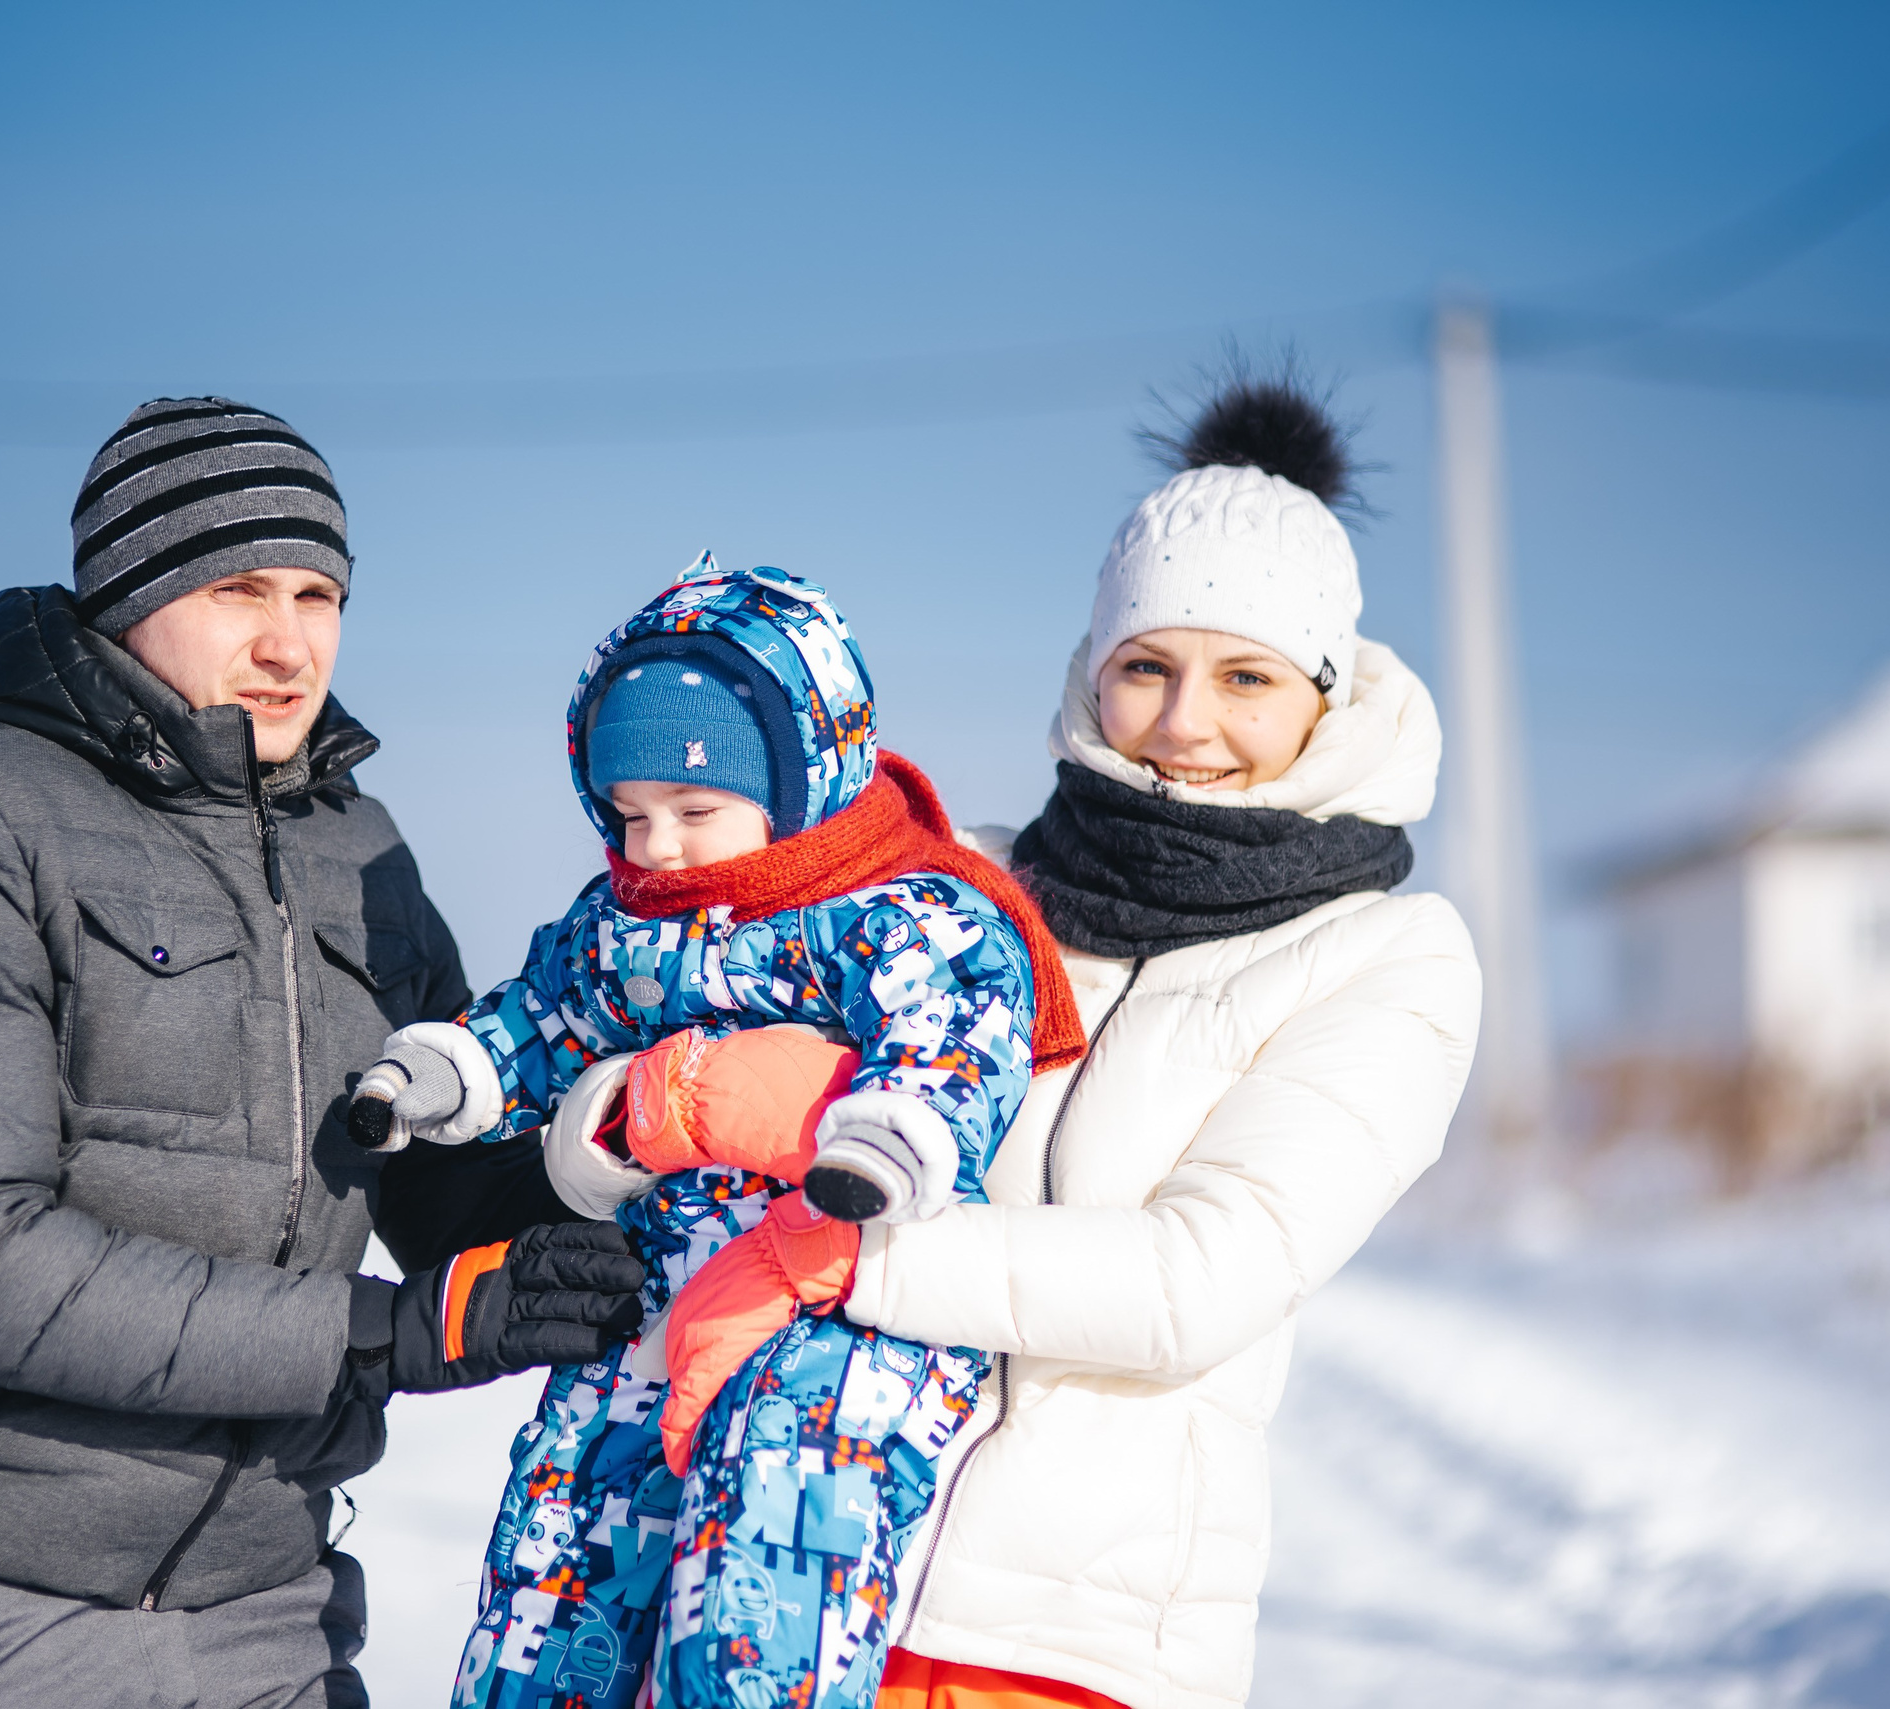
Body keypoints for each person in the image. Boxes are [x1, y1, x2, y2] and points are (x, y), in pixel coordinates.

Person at [573, 376, 1483, 1708]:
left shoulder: (1387, 958)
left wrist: (839, 1254)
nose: (1185, 724)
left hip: (1071, 1652)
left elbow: (1195, 1282)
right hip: (804, 1588)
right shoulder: (959, 892)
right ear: (1092, 672)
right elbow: (716, 1089)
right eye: (1146, 668)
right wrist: (613, 1122)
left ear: (1325, 695)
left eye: (1246, 676)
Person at [0, 396, 645, 1709]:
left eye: (319, 595)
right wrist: (385, 1335)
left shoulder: (358, 850)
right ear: (131, 589)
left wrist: (657, 1150)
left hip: (271, 1596)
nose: (291, 644)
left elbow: (453, 1191)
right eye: (242, 589)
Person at [349, 557, 1084, 1709]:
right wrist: (454, 1068)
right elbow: (538, 1015)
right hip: (652, 1284)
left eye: (693, 811)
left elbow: (951, 1038)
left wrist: (887, 1135)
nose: (656, 848)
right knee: (568, 1527)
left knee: (774, 1535)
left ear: (801, 780)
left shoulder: (911, 908)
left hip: (845, 1301)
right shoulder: (620, 923)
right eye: (629, 814)